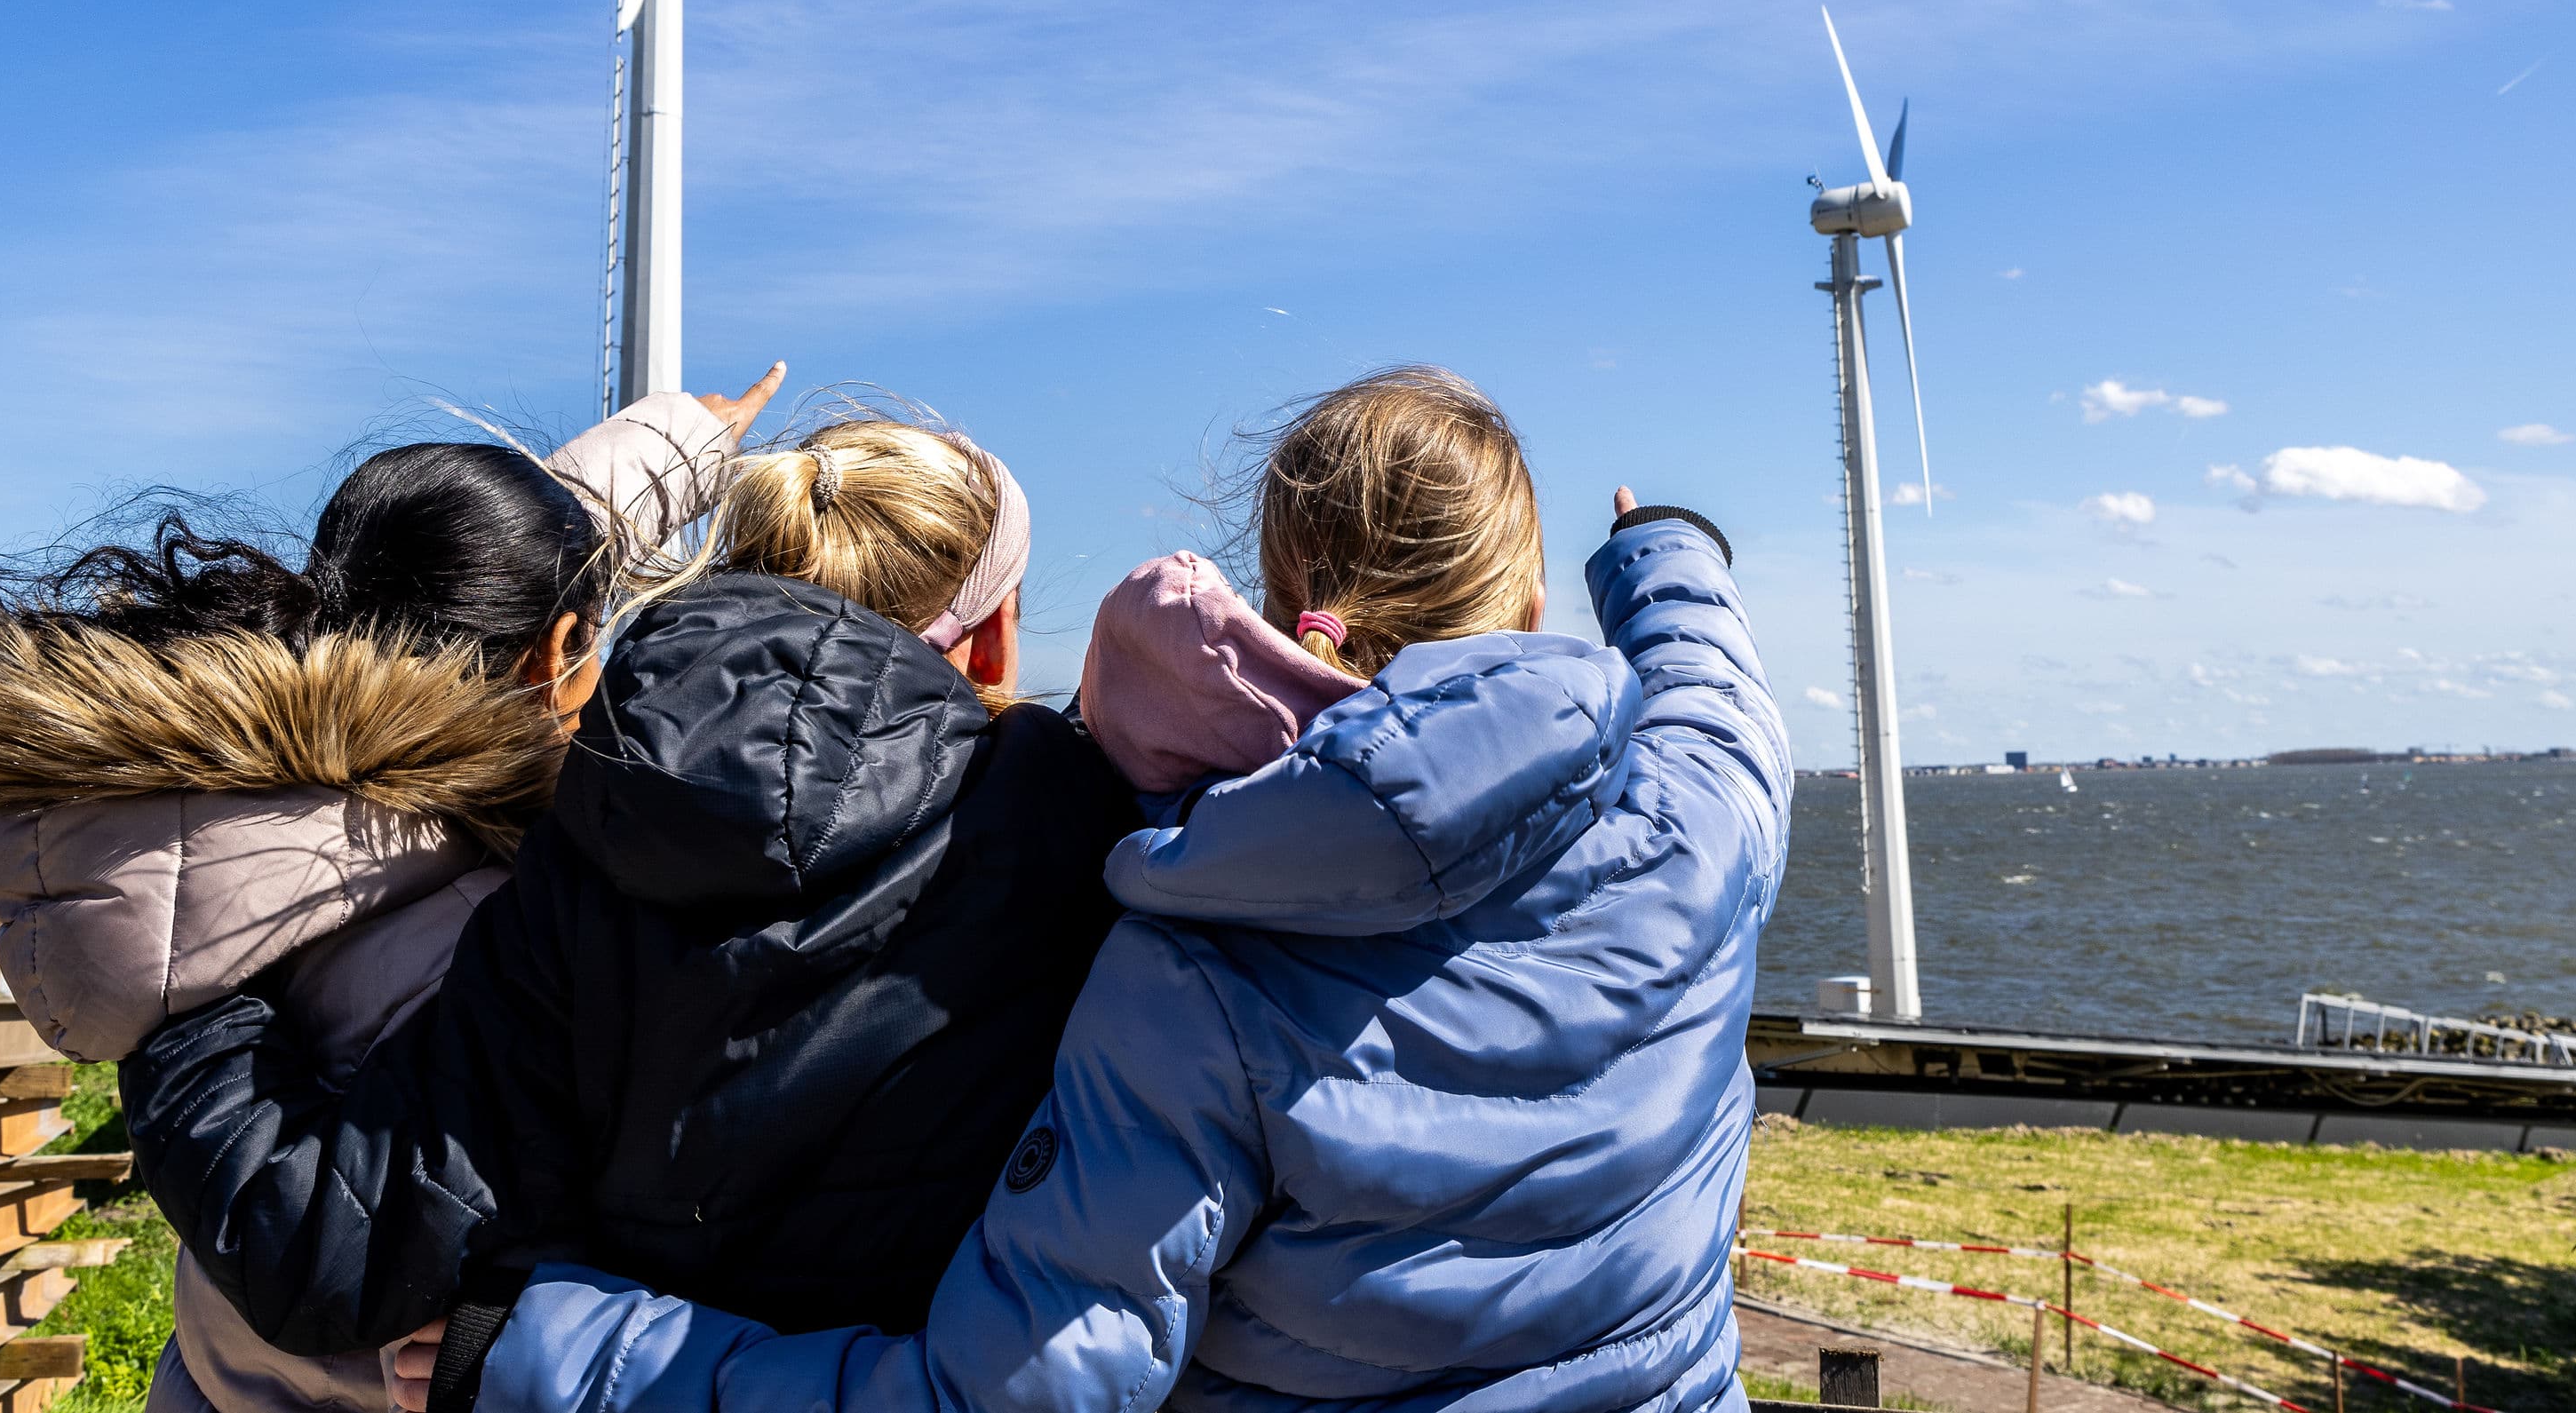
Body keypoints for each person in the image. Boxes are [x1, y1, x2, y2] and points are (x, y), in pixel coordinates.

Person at [417, 365, 1790, 1413]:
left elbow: (1011, 1389)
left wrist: (550, 1350)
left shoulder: (1195, 955)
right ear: (1531, 595)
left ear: (1282, 591)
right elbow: (1717, 693)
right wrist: (1665, 551)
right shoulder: (1697, 824)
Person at [0, 369, 783, 1413]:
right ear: (558, 653)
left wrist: (673, 445)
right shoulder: (500, 936)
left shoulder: (216, 821)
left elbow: (463, 561)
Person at [119, 408, 1146, 1366]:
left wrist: (184, 1009)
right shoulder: (1095, 843)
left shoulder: (590, 833)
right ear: (998, 632)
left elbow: (340, 1246)